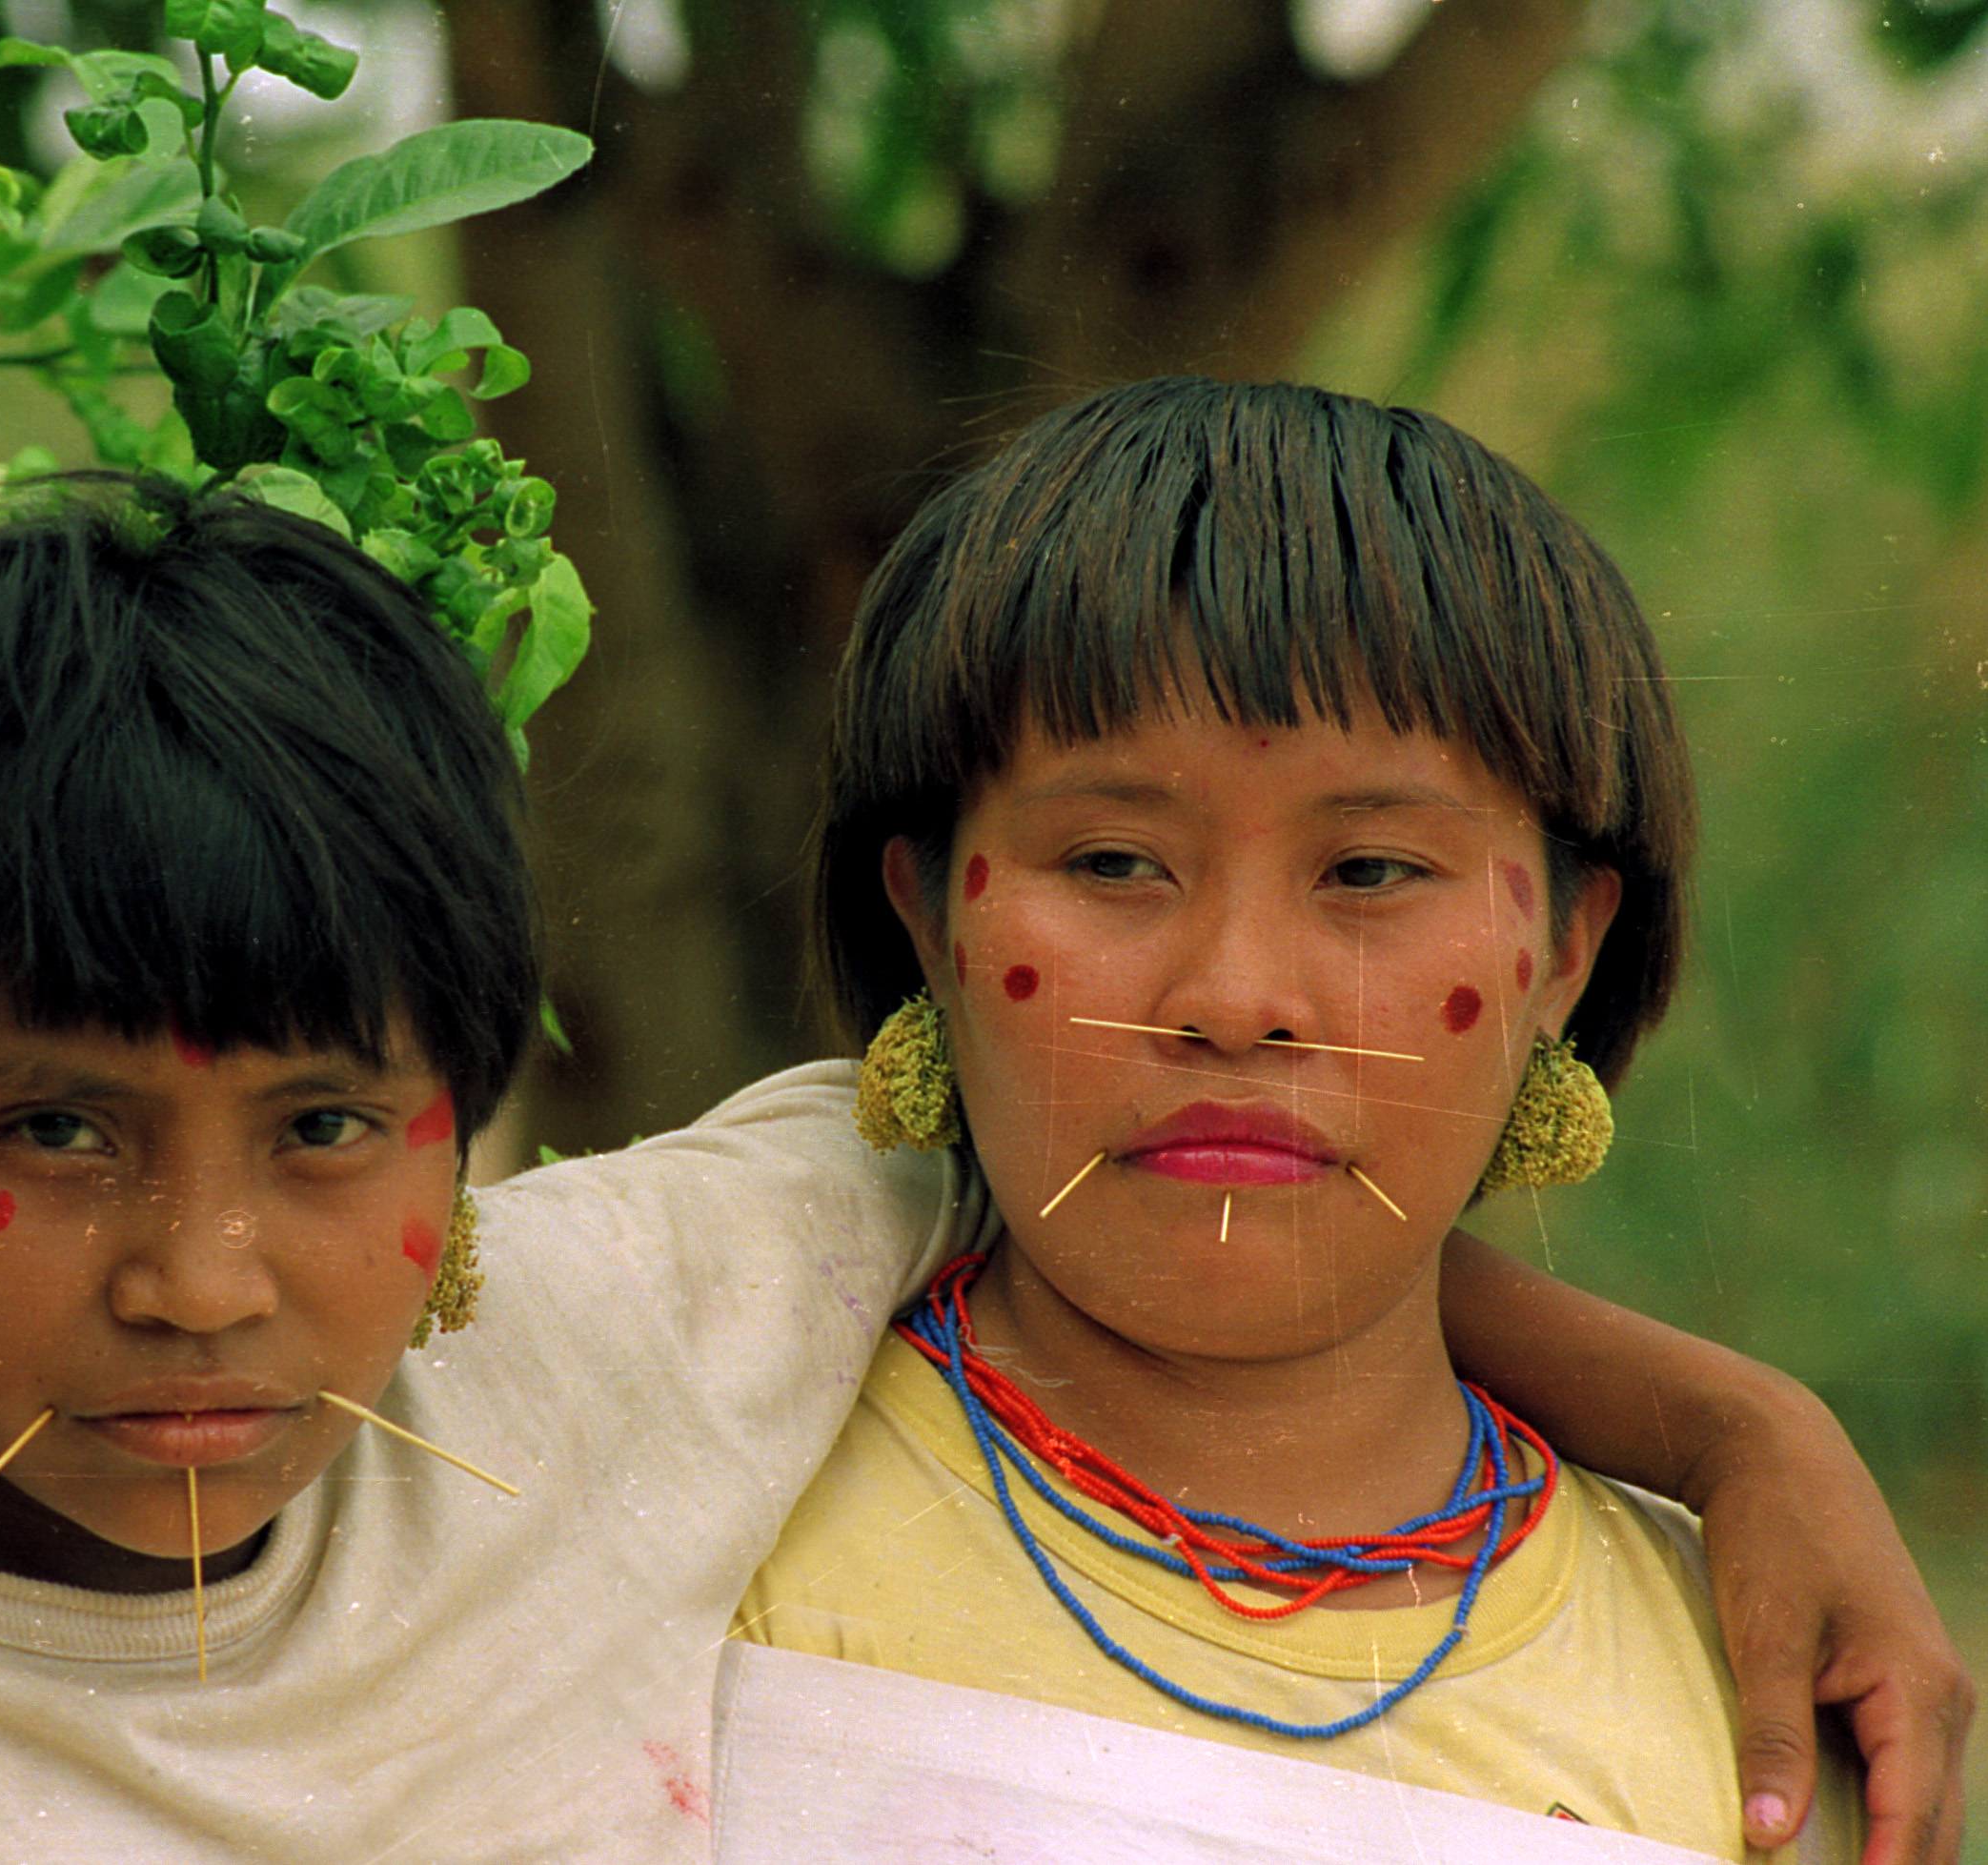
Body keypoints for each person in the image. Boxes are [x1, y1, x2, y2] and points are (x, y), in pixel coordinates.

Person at [0, 462, 1968, 1860]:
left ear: (468, 1122)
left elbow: (1222, 1163)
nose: (198, 1272)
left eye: (323, 1130)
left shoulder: (603, 1349)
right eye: (46, 1131)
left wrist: (1735, 1426)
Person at [723, 378, 1877, 1857]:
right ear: (931, 913)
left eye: (1372, 871)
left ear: (1565, 951)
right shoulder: (692, 1510)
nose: (1233, 995)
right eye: (1114, 859)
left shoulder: (1762, 1696)